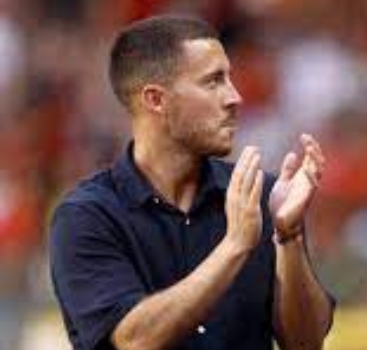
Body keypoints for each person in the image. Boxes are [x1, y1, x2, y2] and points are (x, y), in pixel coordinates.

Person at [49, 15, 334, 350]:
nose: (234, 97)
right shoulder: (87, 216)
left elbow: (306, 343)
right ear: (156, 99)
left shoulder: (261, 198)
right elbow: (134, 340)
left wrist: (289, 236)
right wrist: (234, 246)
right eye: (213, 82)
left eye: (229, 78)